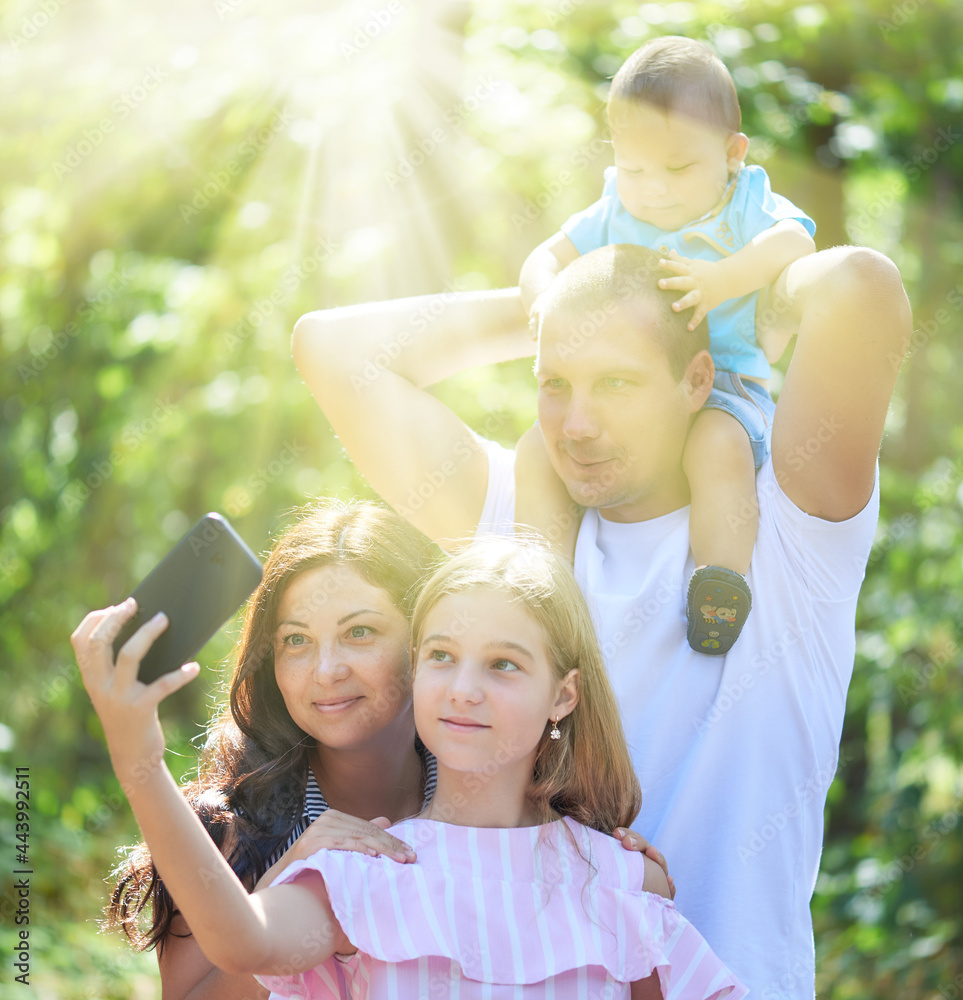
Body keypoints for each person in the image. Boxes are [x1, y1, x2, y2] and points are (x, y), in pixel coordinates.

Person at [288, 237, 911, 999]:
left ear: (697, 379)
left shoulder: (784, 531)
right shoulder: (515, 535)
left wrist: (725, 294)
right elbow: (329, 346)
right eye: (555, 383)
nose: (576, 423)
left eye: (616, 380)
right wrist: (553, 304)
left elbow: (861, 286)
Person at [74, 538, 746, 999]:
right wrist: (140, 760)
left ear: (563, 695)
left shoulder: (625, 881)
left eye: (504, 664)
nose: (463, 689)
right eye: (442, 656)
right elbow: (242, 944)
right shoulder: (361, 871)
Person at [520, 36, 816, 653]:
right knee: (535, 452)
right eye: (633, 169)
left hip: (724, 386)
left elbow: (797, 244)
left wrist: (723, 280)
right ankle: (536, 592)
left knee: (716, 449)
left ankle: (719, 584)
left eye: (677, 168)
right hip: (632, 394)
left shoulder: (741, 204)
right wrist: (545, 300)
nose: (652, 189)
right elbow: (543, 257)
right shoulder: (613, 210)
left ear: (732, 154)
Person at [103, 501, 442, 999]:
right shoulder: (226, 834)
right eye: (297, 640)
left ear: (426, 640)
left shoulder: (499, 806)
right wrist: (284, 888)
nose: (326, 671)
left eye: (359, 632)